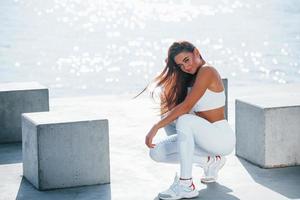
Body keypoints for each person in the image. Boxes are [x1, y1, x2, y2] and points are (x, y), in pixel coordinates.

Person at [142, 41, 236, 200]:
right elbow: (175, 109)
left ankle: (186, 184)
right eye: (180, 65)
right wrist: (173, 73)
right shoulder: (189, 79)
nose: (185, 66)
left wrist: (156, 127)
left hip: (220, 137)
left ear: (197, 52)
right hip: (200, 140)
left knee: (185, 120)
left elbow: (186, 107)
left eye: (187, 60)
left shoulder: (208, 71)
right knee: (156, 153)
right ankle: (210, 161)